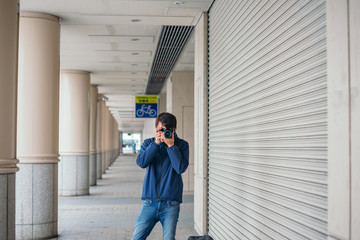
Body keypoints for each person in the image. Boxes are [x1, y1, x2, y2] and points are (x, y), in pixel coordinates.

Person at [132, 112, 189, 240]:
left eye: (166, 130)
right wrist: (155, 144)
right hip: (150, 202)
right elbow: (141, 163)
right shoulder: (148, 143)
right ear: (155, 129)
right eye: (160, 130)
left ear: (173, 130)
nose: (163, 133)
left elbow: (180, 168)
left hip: (171, 204)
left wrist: (171, 146)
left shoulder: (182, 145)